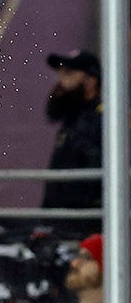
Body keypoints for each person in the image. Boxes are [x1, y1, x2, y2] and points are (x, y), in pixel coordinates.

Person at [42, 49, 102, 211]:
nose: (62, 82)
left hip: (87, 221)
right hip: (62, 217)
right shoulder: (74, 116)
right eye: (60, 74)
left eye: (68, 73)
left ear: (91, 80)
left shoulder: (104, 119)